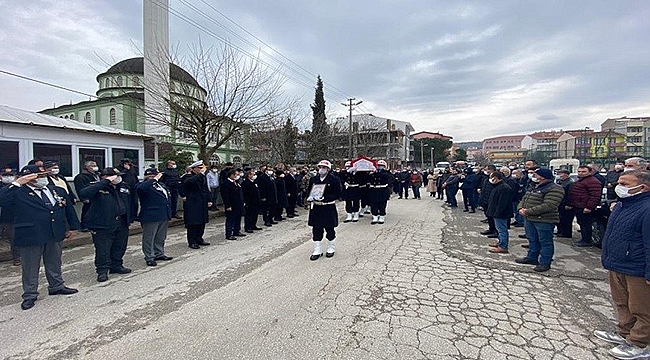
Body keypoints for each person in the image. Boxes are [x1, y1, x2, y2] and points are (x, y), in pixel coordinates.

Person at [0, 165, 81, 310]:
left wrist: (74, 227)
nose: (42, 178)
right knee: (30, 266)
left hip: (54, 232)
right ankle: (30, 294)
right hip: (31, 234)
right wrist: (18, 182)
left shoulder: (56, 189)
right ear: (28, 178)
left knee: (54, 261)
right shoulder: (18, 192)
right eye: (38, 175)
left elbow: (68, 209)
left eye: (44, 175)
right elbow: (2, 199)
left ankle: (57, 286)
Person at [594, 170, 650, 359]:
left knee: (642, 308)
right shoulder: (622, 205)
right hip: (618, 263)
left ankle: (639, 343)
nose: (618, 187)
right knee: (622, 302)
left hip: (637, 267)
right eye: (619, 183)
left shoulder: (647, 208)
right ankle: (624, 332)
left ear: (642, 187)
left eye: (625, 184)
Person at [79, 167, 136, 282]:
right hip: (103, 223)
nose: (118, 178)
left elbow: (130, 201)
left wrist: (130, 218)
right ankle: (102, 270)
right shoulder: (97, 187)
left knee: (120, 245)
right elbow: (84, 194)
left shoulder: (122, 187)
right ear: (106, 177)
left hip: (121, 221)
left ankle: (116, 265)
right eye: (115, 176)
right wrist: (105, 182)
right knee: (103, 249)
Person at [515, 168, 564, 272]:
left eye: (535, 174)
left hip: (544, 220)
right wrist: (520, 208)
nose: (533, 175)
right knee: (532, 239)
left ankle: (545, 262)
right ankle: (532, 257)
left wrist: (528, 211)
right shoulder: (533, 186)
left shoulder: (555, 188)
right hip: (529, 218)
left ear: (542, 176)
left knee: (545, 242)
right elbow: (524, 198)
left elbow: (549, 205)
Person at [136, 168, 173, 267]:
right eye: (150, 176)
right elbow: (141, 189)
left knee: (160, 236)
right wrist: (154, 179)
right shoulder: (143, 185)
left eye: (154, 175)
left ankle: (159, 253)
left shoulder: (161, 185)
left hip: (163, 214)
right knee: (149, 237)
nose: (152, 177)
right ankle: (149, 256)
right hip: (150, 216)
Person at [306, 160, 342, 260]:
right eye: (320, 167)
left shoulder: (334, 180)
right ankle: (317, 250)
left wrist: (326, 198)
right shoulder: (313, 179)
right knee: (316, 229)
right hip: (316, 207)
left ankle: (331, 247)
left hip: (328, 207)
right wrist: (310, 196)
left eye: (324, 167)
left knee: (329, 228)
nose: (322, 169)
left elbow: (338, 193)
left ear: (328, 169)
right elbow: (309, 190)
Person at [567, 165, 603, 247]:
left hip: (585, 207)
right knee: (582, 223)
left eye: (583, 172)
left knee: (586, 224)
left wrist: (589, 207)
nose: (581, 173)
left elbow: (595, 196)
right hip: (578, 206)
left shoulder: (593, 181)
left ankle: (586, 240)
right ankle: (584, 239)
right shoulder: (581, 180)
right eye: (579, 171)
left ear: (590, 172)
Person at [182, 161, 212, 249]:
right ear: (194, 168)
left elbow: (205, 188)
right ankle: (192, 241)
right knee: (193, 223)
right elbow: (189, 182)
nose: (201, 170)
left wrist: (209, 199)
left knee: (202, 222)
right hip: (193, 203)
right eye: (199, 168)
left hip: (202, 202)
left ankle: (199, 238)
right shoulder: (188, 176)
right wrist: (200, 175)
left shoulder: (202, 177)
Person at [486, 171, 513, 253]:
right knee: (499, 229)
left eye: (491, 177)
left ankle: (503, 246)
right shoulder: (498, 186)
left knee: (502, 229)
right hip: (496, 211)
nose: (490, 179)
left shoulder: (504, 188)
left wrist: (497, 213)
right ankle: (500, 242)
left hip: (501, 213)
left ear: (496, 178)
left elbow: (502, 203)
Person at [0, 167, 20, 266]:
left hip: (14, 217)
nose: (8, 177)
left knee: (14, 238)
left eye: (10, 175)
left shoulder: (18, 188)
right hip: (5, 217)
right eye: (5, 175)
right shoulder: (2, 189)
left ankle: (17, 257)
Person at [73, 160, 101, 230]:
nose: (95, 167)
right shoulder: (81, 177)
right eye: (93, 166)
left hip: (97, 197)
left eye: (95, 165)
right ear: (87, 167)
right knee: (87, 212)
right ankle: (84, 226)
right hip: (88, 198)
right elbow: (79, 188)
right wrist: (83, 198)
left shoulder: (97, 175)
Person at [221, 168, 246, 240]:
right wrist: (228, 205)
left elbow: (240, 193)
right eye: (236, 174)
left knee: (238, 218)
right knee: (230, 219)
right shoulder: (226, 184)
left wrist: (242, 202)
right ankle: (229, 234)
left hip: (238, 204)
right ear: (231, 175)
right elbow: (225, 196)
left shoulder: (236, 183)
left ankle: (236, 231)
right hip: (231, 204)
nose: (237, 176)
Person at [368, 160, 392, 224]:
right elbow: (367, 179)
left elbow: (390, 180)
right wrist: (371, 173)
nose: (380, 167)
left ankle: (382, 216)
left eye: (381, 166)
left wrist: (385, 171)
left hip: (382, 190)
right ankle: (375, 216)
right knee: (373, 204)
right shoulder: (373, 173)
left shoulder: (387, 173)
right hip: (374, 190)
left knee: (382, 204)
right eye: (378, 166)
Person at [555, 170, 575, 238]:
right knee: (560, 218)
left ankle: (566, 233)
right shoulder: (560, 182)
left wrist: (569, 204)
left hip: (565, 203)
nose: (559, 176)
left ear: (566, 175)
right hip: (560, 203)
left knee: (566, 219)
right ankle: (560, 231)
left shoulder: (570, 183)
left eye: (560, 174)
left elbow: (570, 195)